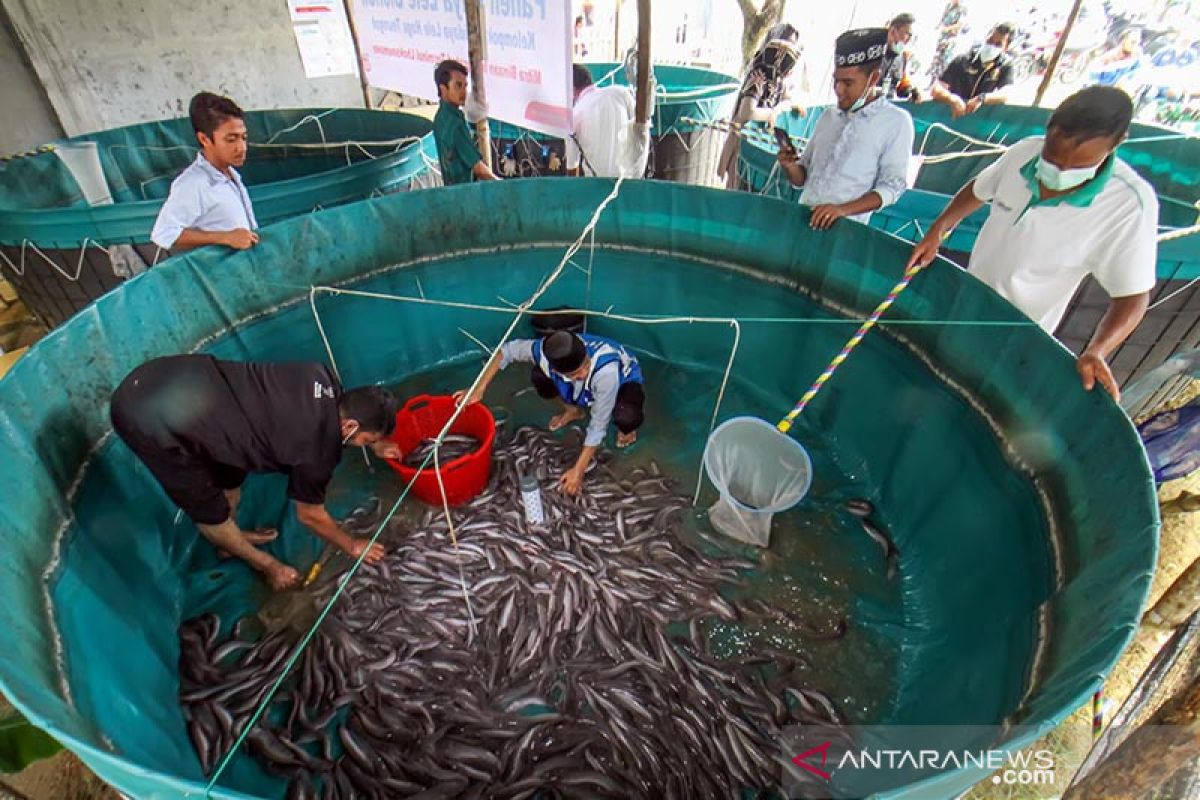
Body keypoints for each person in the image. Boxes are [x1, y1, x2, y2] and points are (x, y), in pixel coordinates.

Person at [907, 87, 1157, 401]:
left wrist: (1098, 350)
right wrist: (939, 229)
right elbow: (979, 188)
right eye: (1052, 159)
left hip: (1015, 341)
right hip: (963, 306)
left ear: (1117, 143)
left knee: (971, 401)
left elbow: (1133, 296)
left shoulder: (1129, 204)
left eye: (1076, 165)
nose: (1059, 171)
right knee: (923, 384)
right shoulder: (1024, 152)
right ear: (1049, 129)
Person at [110, 355, 402, 590]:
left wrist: (376, 444)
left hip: (175, 375)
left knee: (231, 477)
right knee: (210, 511)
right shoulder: (316, 451)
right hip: (147, 416)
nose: (367, 445)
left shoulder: (320, 376)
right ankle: (264, 564)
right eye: (368, 440)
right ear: (349, 427)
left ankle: (231, 539)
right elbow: (309, 515)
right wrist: (352, 545)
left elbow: (330, 425)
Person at [456, 330, 644, 496]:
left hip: (623, 379)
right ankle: (573, 411)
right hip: (583, 385)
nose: (584, 372)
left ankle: (627, 429)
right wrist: (478, 388)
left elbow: (598, 425)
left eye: (586, 364)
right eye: (577, 372)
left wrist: (577, 472)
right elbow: (506, 351)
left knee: (626, 416)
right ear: (556, 369)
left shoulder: (606, 372)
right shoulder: (542, 352)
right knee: (539, 376)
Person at [776, 28, 914, 229]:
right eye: (836, 81)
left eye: (848, 83)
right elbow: (802, 179)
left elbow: (893, 187)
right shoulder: (828, 117)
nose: (839, 90)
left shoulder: (895, 122)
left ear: (873, 79)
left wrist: (841, 210)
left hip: (845, 233)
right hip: (802, 223)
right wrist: (790, 166)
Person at [150, 92, 258, 254]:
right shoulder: (194, 183)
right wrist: (226, 237)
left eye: (243, 137)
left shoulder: (229, 174)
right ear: (204, 139)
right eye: (231, 139)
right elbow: (164, 233)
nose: (241, 147)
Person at [717, 23, 805, 190]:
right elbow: (747, 112)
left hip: (756, 141)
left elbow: (786, 98)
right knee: (735, 187)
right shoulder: (759, 76)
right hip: (742, 142)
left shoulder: (778, 79)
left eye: (792, 45)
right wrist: (771, 114)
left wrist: (790, 105)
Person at [566, 64, 648, 178]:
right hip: (630, 180)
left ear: (572, 90)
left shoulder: (573, 116)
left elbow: (572, 167)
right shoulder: (620, 93)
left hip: (596, 185)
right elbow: (641, 127)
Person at [432, 59, 499, 186]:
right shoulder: (455, 124)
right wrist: (503, 185)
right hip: (465, 192)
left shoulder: (439, 117)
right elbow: (479, 169)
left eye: (465, 86)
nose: (463, 92)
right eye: (458, 85)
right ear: (443, 89)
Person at [931, 23, 1016, 118]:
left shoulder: (1005, 66)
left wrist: (982, 98)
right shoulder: (963, 59)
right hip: (950, 114)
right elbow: (936, 89)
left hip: (977, 120)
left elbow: (1005, 94)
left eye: (998, 44)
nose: (992, 46)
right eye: (990, 41)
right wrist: (951, 99)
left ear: (1006, 47)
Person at [881, 13, 922, 101]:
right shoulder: (873, 51)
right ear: (893, 30)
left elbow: (901, 87)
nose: (909, 40)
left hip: (885, 108)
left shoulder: (902, 57)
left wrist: (911, 91)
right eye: (907, 34)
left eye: (912, 36)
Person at [928, 0, 968, 80]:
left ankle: (939, 78)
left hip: (951, 37)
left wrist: (948, 29)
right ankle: (932, 77)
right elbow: (943, 16)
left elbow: (960, 24)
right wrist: (939, 25)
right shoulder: (949, 5)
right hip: (943, 35)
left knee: (944, 58)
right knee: (937, 55)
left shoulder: (962, 9)